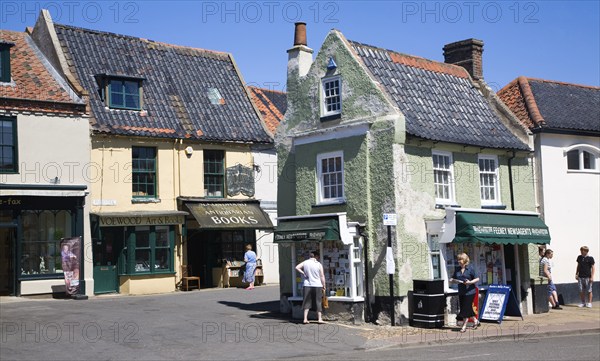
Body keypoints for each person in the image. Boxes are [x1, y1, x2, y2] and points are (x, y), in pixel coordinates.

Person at [449, 253, 480, 332]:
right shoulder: (457, 269)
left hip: (470, 291)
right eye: (458, 260)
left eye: (460, 259)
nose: (459, 261)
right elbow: (453, 278)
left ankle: (464, 326)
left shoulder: (470, 269)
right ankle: (476, 321)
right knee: (467, 308)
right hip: (461, 291)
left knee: (465, 309)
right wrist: (452, 280)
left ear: (465, 260)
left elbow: (477, 278)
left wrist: (470, 282)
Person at [295, 251, 326, 324]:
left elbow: (297, 267)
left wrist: (303, 273)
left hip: (307, 284)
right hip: (317, 285)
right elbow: (322, 276)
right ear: (316, 256)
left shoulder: (305, 262)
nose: (318, 258)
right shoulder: (318, 264)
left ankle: (305, 319)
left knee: (306, 301)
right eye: (318, 257)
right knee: (318, 301)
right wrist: (324, 285)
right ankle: (319, 318)